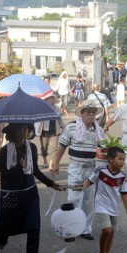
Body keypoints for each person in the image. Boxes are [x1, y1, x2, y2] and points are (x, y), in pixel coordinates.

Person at [0, 123, 63, 253]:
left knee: (34, 227)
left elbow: (34, 170)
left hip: (29, 193)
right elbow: (5, 173)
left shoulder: (31, 148)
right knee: (6, 225)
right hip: (10, 194)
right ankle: (0, 245)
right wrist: (18, 165)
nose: (26, 132)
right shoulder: (5, 151)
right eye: (22, 129)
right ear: (13, 132)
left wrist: (50, 183)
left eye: (27, 129)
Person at [51, 100, 104, 240]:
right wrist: (56, 163)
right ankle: (70, 229)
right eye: (88, 112)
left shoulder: (99, 130)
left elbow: (103, 150)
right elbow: (62, 146)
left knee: (89, 200)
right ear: (82, 114)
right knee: (73, 199)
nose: (91, 115)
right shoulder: (71, 127)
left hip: (92, 169)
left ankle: (86, 229)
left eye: (93, 112)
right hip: (75, 167)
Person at [83, 147, 127, 253]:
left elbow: (124, 192)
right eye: (120, 159)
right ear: (110, 159)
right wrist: (82, 187)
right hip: (101, 205)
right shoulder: (101, 170)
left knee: (111, 233)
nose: (122, 162)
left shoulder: (122, 175)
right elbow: (89, 181)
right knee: (107, 230)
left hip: (114, 207)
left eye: (124, 159)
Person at [34, 93, 64, 170]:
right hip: (44, 131)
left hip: (54, 130)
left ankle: (51, 164)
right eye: (48, 98)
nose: (50, 99)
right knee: (44, 149)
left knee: (54, 148)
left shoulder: (56, 108)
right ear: (45, 100)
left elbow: (59, 119)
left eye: (51, 98)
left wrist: (63, 126)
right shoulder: (41, 108)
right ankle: (45, 160)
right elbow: (38, 119)